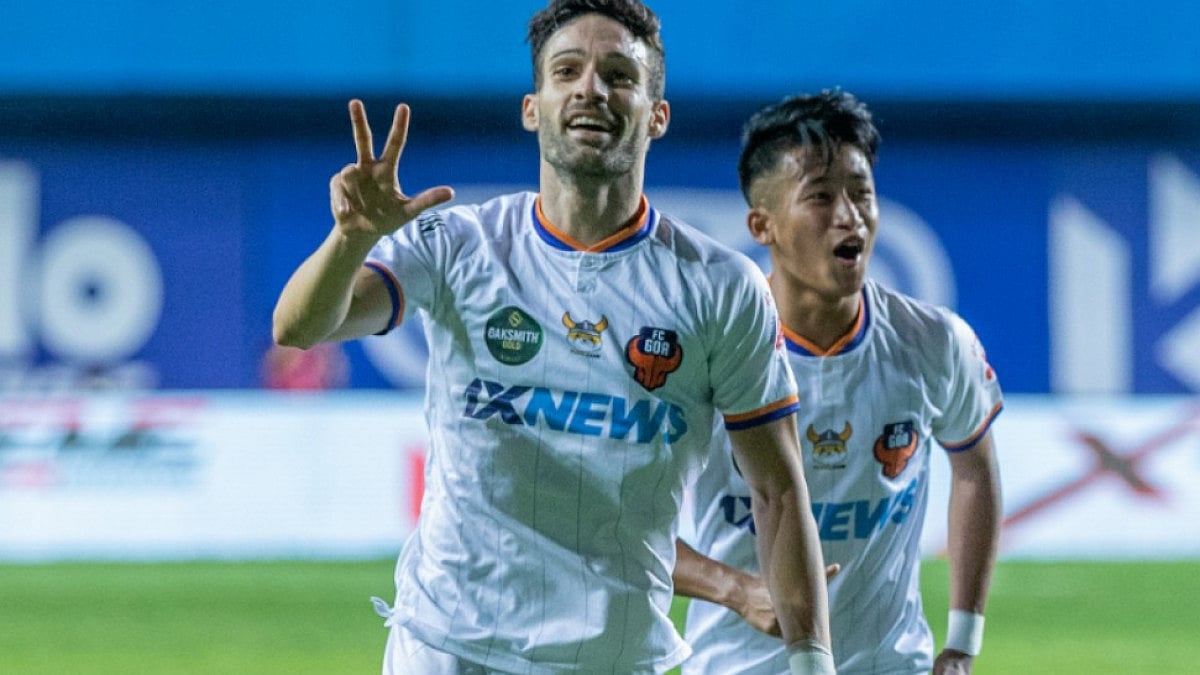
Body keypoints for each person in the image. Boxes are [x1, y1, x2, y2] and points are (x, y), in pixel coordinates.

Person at [272, 1, 833, 672]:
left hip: (614, 656)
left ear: (657, 115)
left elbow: (778, 490)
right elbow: (301, 326)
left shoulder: (721, 288)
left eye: (619, 75)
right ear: (532, 107)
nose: (591, 88)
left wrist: (812, 660)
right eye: (566, 70)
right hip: (448, 648)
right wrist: (350, 237)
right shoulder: (460, 244)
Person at [674, 90, 1004, 674]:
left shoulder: (933, 343)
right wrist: (735, 590)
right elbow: (614, 520)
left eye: (862, 193)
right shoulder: (707, 353)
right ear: (763, 224)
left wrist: (962, 642)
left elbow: (975, 469)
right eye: (821, 196)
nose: (849, 215)